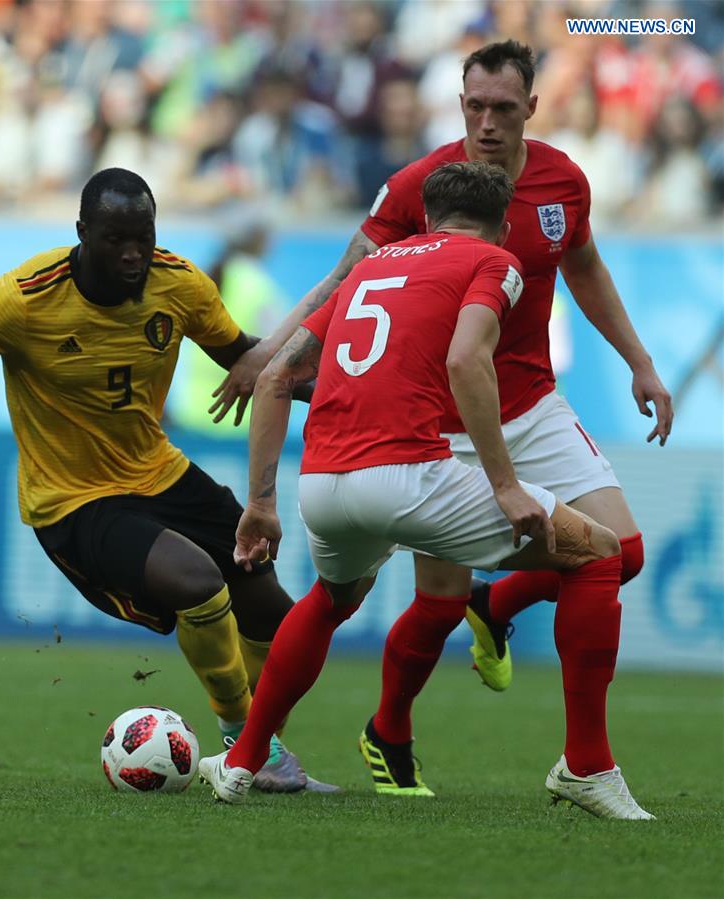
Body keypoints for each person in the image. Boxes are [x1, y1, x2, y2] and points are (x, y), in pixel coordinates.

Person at [208, 40, 673, 794]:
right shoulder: (421, 187)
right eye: (474, 106)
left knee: (621, 553)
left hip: (529, 403)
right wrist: (268, 353)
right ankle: (389, 726)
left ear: (531, 106)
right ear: (460, 104)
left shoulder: (563, 182)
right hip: (440, 420)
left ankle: (498, 604)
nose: (486, 122)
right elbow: (347, 277)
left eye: (502, 108)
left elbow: (583, 267)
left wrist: (639, 361)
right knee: (432, 599)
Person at [0, 167, 336, 795]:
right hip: (71, 501)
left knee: (280, 619)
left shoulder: (180, 284)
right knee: (199, 583)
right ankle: (244, 747)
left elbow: (249, 359)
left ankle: (262, 749)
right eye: (116, 238)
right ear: (82, 232)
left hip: (160, 473)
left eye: (143, 237)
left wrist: (347, 388)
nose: (133, 253)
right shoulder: (21, 299)